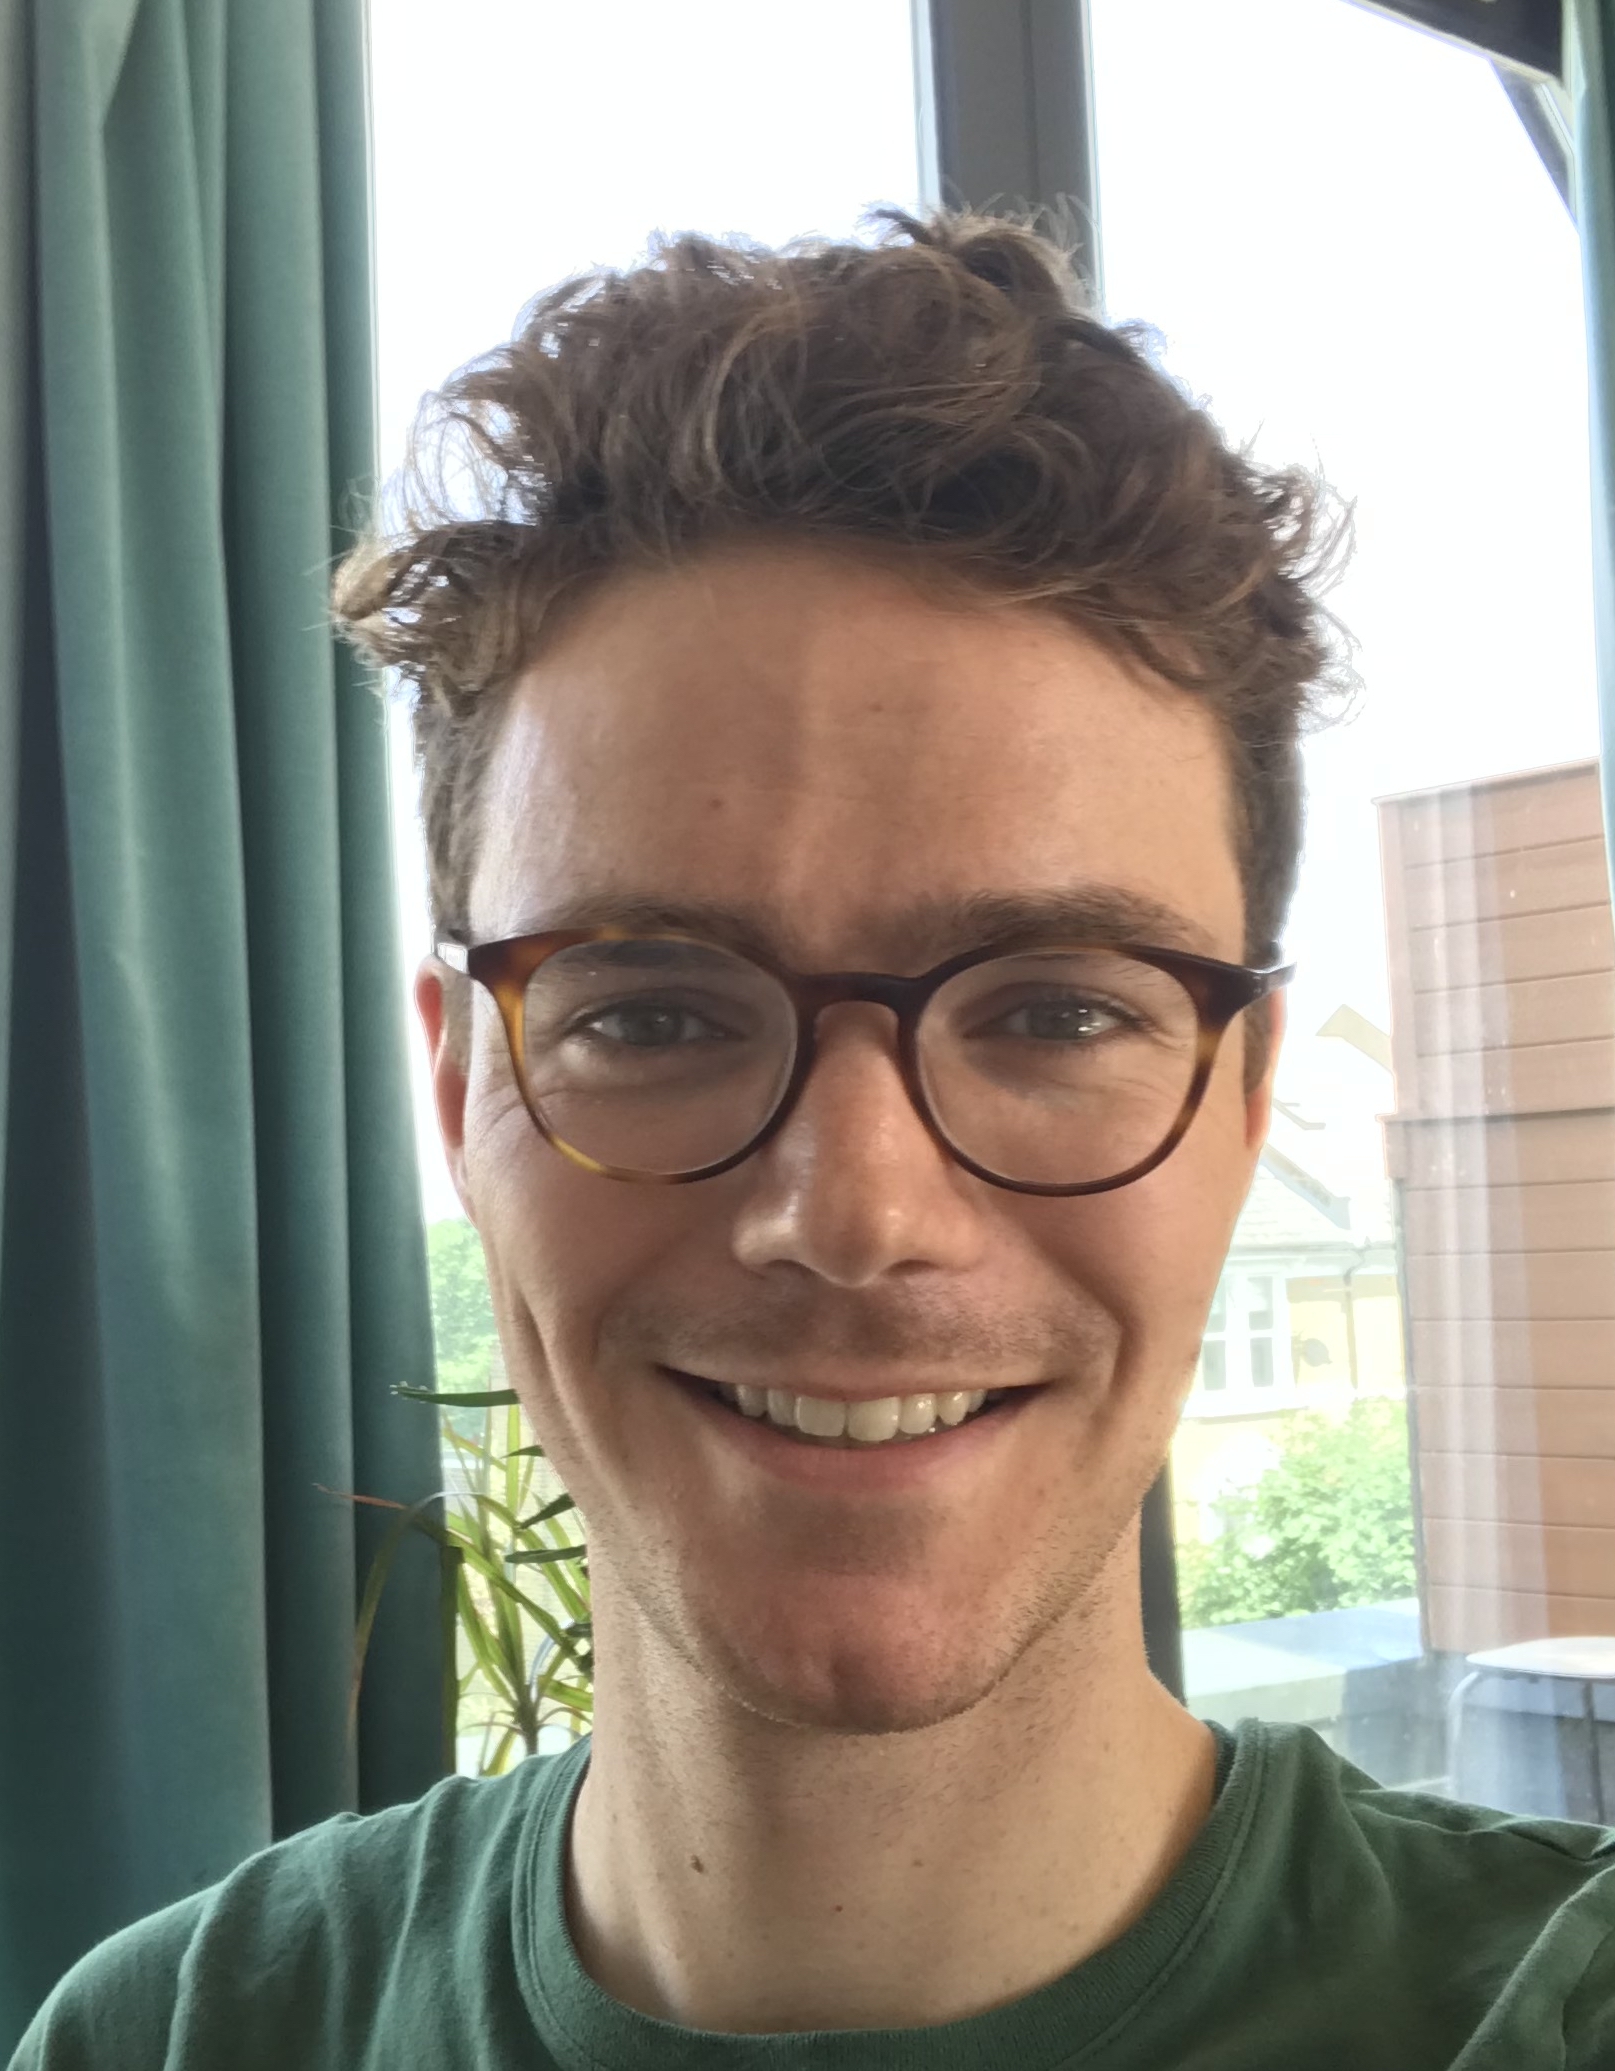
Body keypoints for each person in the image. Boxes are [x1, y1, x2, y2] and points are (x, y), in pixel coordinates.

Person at [11, 210, 1614, 2071]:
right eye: (652, 1014)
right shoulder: (181, 2037)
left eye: (1056, 1012)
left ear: (1242, 1101)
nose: (854, 1212)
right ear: (464, 1094)